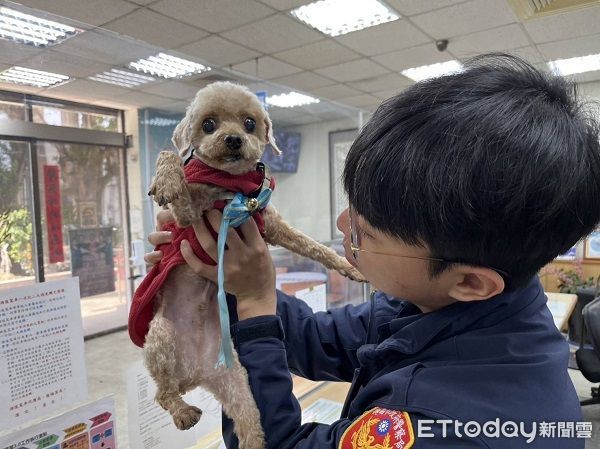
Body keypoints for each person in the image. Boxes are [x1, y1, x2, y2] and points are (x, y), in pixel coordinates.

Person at [144, 54, 600, 448]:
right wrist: (219, 279)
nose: (344, 225)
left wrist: (253, 304)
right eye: (353, 207)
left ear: (469, 281)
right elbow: (318, 339)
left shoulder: (440, 427)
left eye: (369, 231)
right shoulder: (455, 302)